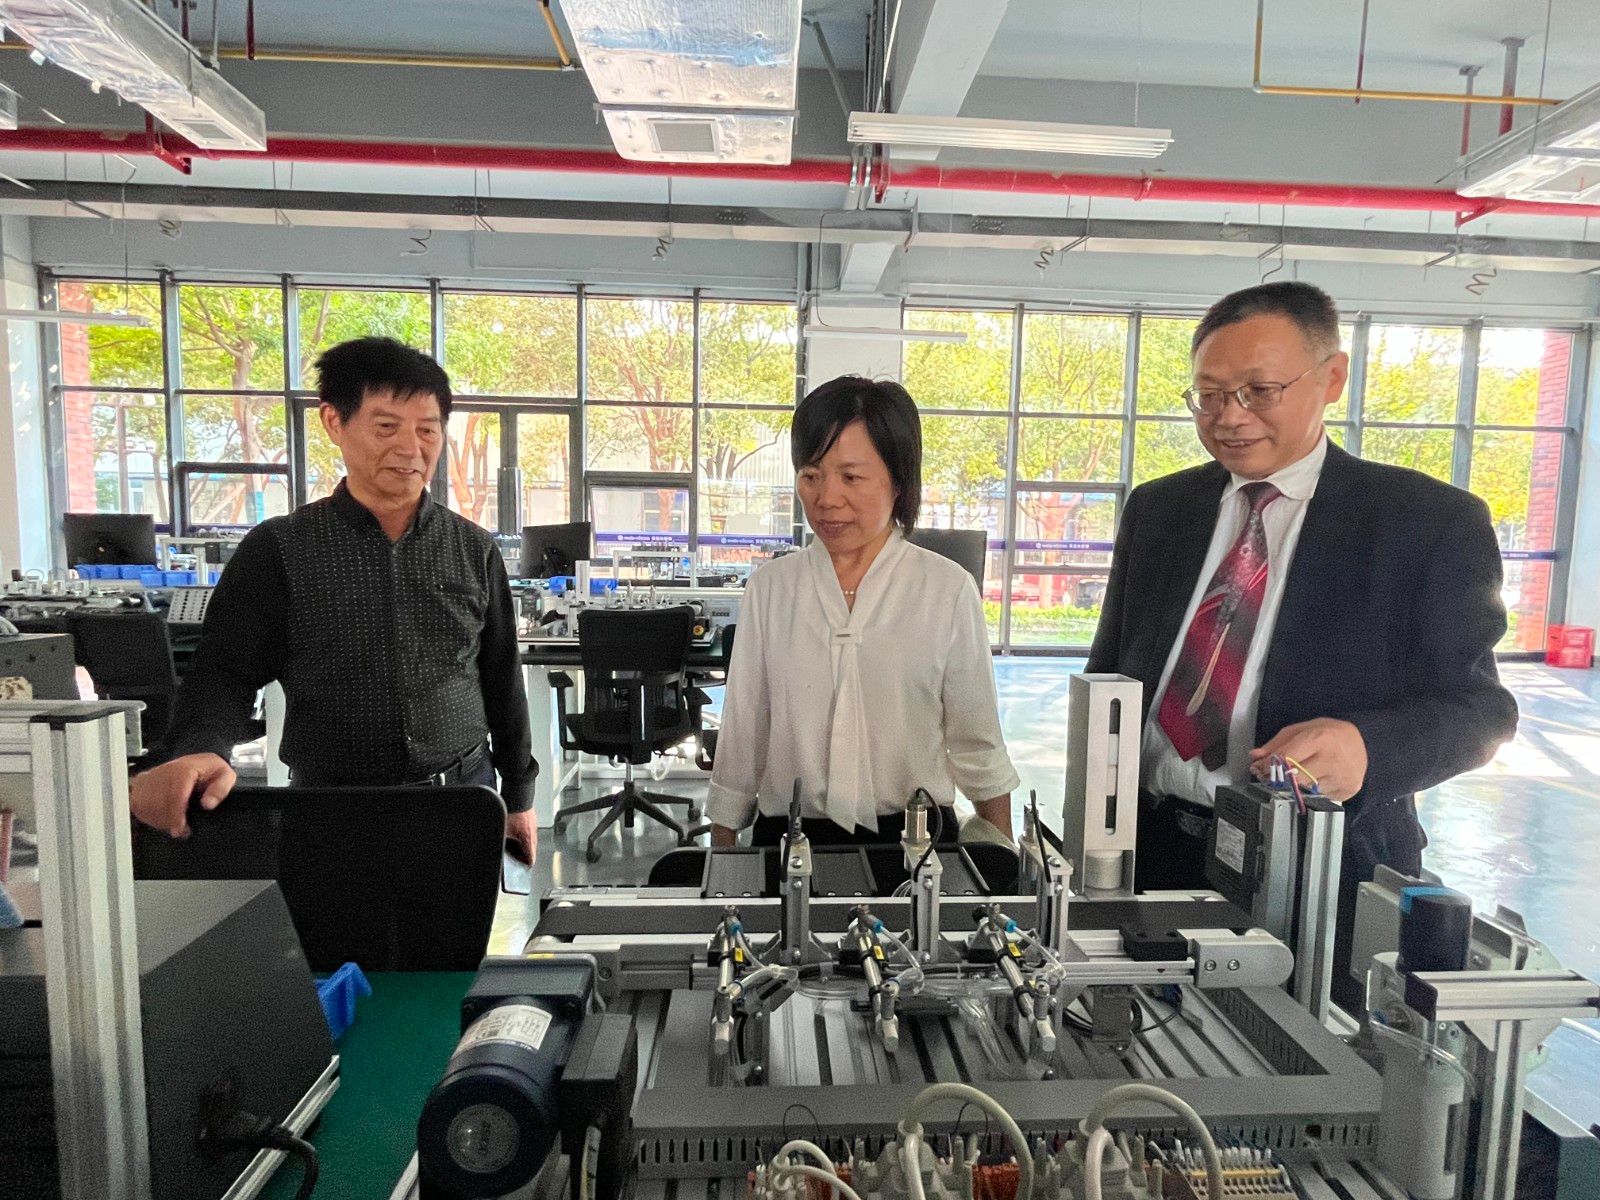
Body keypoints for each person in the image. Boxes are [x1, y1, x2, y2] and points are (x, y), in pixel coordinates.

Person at [1086, 281, 1517, 1008]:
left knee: (1297, 1062)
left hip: (1318, 871)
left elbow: (1483, 711)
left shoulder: (1425, 523)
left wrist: (1366, 747)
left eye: (1259, 391)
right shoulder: (1160, 511)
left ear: (1332, 378)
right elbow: (1110, 674)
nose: (1229, 417)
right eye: (1208, 395)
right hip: (1149, 854)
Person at [130, 336, 539, 864]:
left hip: (459, 801)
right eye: (386, 427)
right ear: (333, 423)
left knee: (458, 924)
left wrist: (519, 796)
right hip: (329, 809)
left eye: (427, 430)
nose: (410, 449)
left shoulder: (472, 548)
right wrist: (200, 748)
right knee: (330, 924)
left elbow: (501, 677)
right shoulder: (280, 548)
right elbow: (224, 671)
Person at [707, 376, 1019, 847]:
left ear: (898, 481)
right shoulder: (771, 589)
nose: (826, 498)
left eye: (851, 477)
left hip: (916, 845)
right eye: (811, 475)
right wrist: (724, 853)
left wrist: (1004, 863)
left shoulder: (946, 590)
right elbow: (744, 729)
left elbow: (978, 742)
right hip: (789, 841)